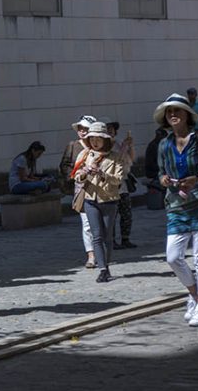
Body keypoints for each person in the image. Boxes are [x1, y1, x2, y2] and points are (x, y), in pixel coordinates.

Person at [156, 93, 198, 327]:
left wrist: (197, 178)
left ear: (188, 115)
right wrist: (164, 179)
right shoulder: (164, 143)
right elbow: (159, 171)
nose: (173, 115)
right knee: (173, 257)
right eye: (169, 112)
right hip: (176, 206)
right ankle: (195, 295)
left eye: (177, 110)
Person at [72, 122, 125, 283]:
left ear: (106, 140)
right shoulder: (85, 155)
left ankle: (107, 265)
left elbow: (118, 180)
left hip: (109, 200)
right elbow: (76, 176)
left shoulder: (115, 157)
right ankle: (102, 269)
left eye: (99, 138)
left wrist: (102, 174)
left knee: (108, 236)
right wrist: (84, 173)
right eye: (92, 138)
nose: (95, 142)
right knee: (96, 236)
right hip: (90, 200)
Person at [60, 114, 97, 268]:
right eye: (80, 128)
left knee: (100, 223)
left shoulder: (99, 145)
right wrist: (76, 173)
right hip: (81, 187)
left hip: (99, 187)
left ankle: (102, 250)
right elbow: (64, 165)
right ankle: (91, 255)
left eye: (85, 129)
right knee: (86, 223)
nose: (82, 131)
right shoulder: (73, 146)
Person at [104, 120, 137, 249]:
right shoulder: (103, 146)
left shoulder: (117, 144)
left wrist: (130, 146)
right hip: (110, 185)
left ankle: (125, 238)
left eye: (112, 128)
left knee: (126, 212)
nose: (110, 131)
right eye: (107, 128)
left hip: (122, 183)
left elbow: (130, 160)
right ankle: (111, 240)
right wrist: (124, 148)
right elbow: (114, 162)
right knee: (112, 214)